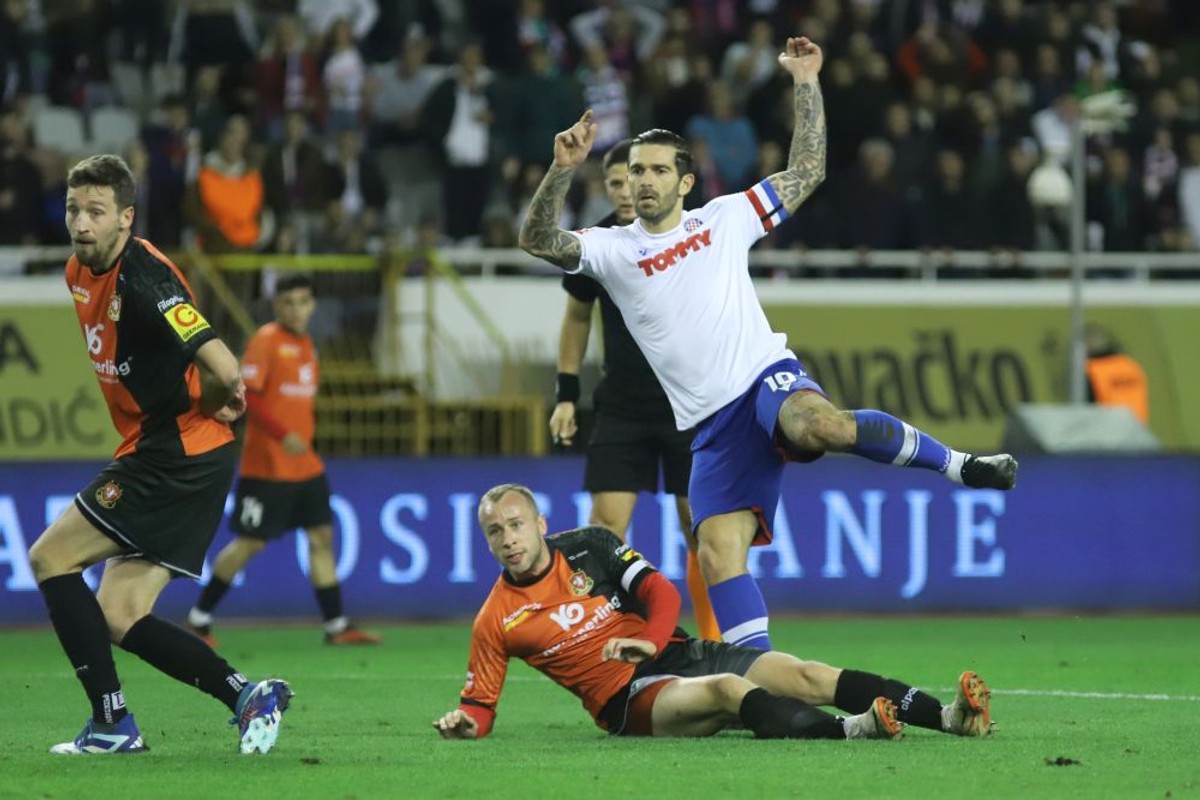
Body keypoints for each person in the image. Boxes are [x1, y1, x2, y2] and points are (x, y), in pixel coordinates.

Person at [517, 36, 1018, 652]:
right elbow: (538, 240)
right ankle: (761, 682)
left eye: (657, 171)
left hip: (763, 379)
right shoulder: (612, 248)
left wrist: (807, 81)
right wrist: (562, 168)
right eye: (636, 171)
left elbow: (809, 170)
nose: (643, 182)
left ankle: (959, 466)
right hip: (707, 425)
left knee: (819, 427)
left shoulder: (725, 218)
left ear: (685, 182)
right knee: (718, 554)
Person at [26, 154, 292, 755]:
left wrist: (223, 398)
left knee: (51, 558)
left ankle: (111, 724)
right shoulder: (76, 271)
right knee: (119, 613)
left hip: (176, 451)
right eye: (73, 209)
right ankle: (246, 696)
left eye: (96, 212)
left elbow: (225, 366)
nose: (81, 224)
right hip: (171, 450)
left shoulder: (146, 277)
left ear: (126, 218)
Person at [432, 485, 993, 740]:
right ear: (486, 542)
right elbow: (480, 706)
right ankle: (853, 730)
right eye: (494, 531)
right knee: (728, 691)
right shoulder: (496, 620)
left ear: (538, 523)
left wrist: (651, 641)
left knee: (806, 674)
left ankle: (947, 717)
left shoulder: (589, 546)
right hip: (630, 701)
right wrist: (465, 723)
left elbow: (663, 594)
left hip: (676, 652)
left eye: (515, 524)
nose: (508, 538)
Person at [551, 139, 719, 642]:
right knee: (603, 529)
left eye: (638, 178)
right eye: (618, 182)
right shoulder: (597, 245)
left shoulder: (693, 236)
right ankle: (608, 639)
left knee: (702, 529)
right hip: (622, 404)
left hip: (687, 406)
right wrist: (566, 392)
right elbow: (577, 316)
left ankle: (714, 643)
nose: (629, 190)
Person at [186, 274, 382, 647]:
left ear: (313, 305)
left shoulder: (308, 345)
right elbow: (251, 396)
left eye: (303, 301)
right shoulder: (267, 340)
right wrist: (283, 435)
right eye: (288, 302)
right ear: (277, 306)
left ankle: (336, 625)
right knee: (250, 543)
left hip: (305, 466)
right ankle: (199, 619)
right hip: (268, 467)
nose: (296, 309)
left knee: (322, 537)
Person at [1084, 323, 1149, 424]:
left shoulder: (1090, 369)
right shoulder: (1129, 364)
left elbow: (1087, 405)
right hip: (1136, 427)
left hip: (1108, 428)